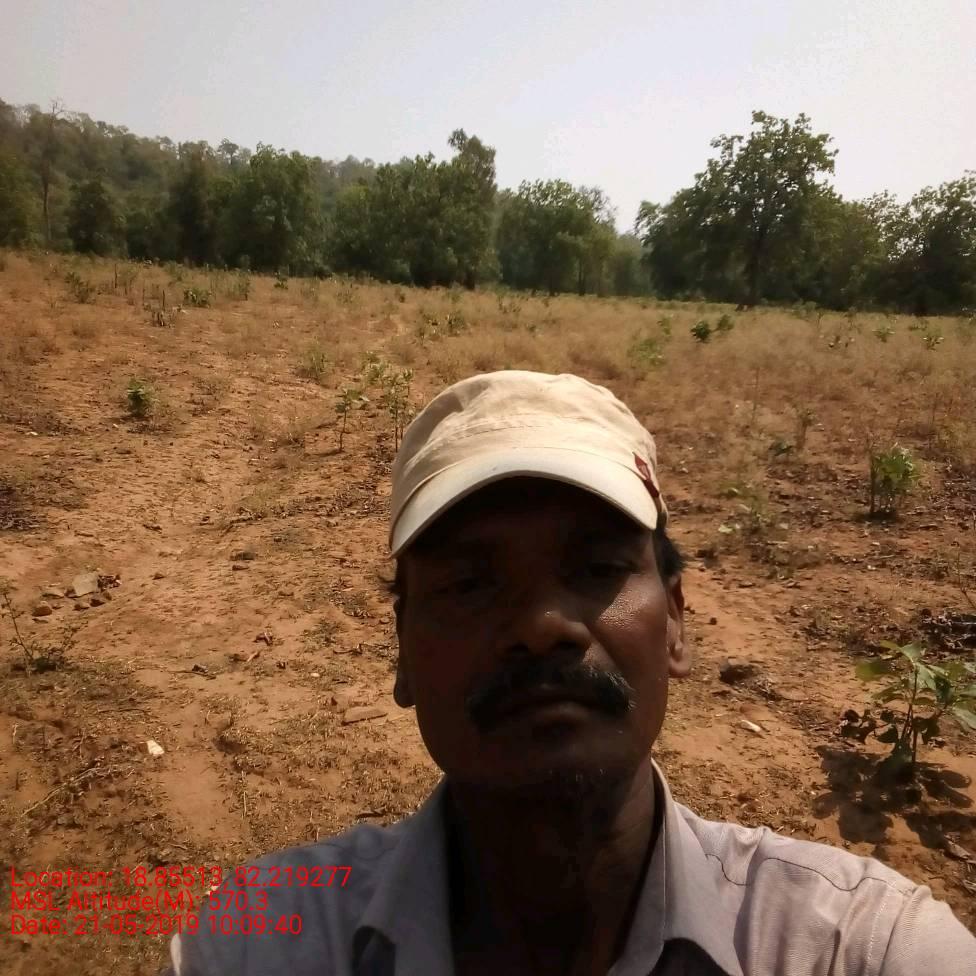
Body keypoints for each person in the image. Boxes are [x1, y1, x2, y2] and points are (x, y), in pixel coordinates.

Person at [166, 370, 975, 975]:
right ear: (402, 651)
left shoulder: (857, 947)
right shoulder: (259, 941)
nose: (541, 626)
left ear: (676, 622)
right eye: (470, 584)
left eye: (596, 567)